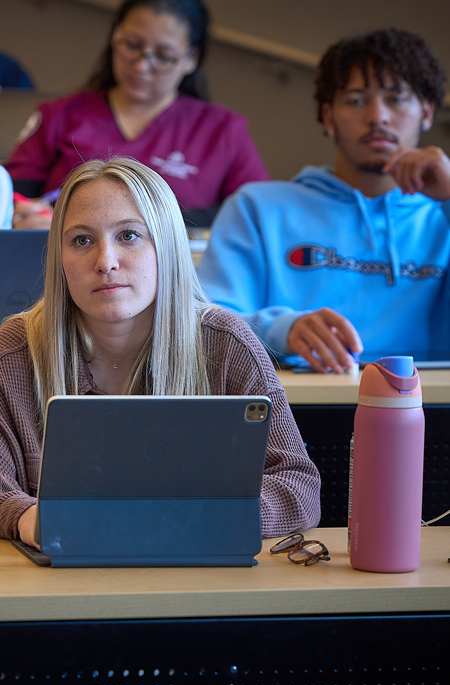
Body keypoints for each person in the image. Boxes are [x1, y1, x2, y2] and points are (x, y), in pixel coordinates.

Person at [0, 157, 320, 549]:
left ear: (165, 244)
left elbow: (298, 484)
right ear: (59, 258)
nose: (106, 262)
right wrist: (32, 519)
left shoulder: (225, 342)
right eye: (82, 240)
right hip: (59, 582)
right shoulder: (14, 350)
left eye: (129, 235)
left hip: (197, 579)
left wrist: (192, 520)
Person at [198, 28, 450, 373]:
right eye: (357, 100)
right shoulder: (258, 207)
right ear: (329, 116)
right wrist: (283, 331)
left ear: (426, 112)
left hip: (433, 408)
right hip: (294, 411)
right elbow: (206, 323)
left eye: (397, 98)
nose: (378, 116)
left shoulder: (443, 217)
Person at [5, 0, 269, 230]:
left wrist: (153, 224)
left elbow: (257, 211)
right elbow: (13, 194)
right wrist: (24, 215)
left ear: (191, 58)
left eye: (163, 56)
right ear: (114, 38)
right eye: (132, 45)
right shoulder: (59, 115)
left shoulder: (222, 129)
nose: (142, 65)